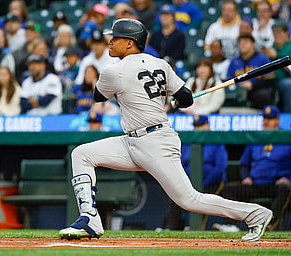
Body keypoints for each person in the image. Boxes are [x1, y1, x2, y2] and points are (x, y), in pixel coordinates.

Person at [59, 18, 273, 242]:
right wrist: (175, 99)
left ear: (131, 43)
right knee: (81, 154)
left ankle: (256, 214)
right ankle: (90, 219)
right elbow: (186, 98)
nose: (110, 42)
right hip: (133, 141)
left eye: (116, 38)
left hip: (155, 142)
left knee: (189, 200)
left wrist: (169, 98)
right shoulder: (160, 63)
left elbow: (98, 96)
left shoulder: (114, 71)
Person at [218, 105, 291, 231]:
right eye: (265, 118)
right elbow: (244, 163)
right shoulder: (256, 137)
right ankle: (230, 225)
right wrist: (246, 177)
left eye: (270, 118)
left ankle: (269, 224)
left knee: (285, 189)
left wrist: (290, 179)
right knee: (230, 189)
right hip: (255, 184)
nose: (266, 121)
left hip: (275, 185)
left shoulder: (288, 137)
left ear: (277, 120)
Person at [157, 115, 228, 231]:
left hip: (211, 183)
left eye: (201, 126)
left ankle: (198, 228)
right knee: (176, 196)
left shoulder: (216, 141)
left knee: (205, 200)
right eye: (196, 126)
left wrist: (204, 182)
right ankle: (169, 227)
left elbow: (220, 166)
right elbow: (181, 163)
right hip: (190, 181)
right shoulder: (189, 142)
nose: (198, 129)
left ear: (208, 126)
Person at [260, 21, 291, 112]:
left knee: (288, 84)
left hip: (286, 79)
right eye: (274, 32)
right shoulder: (270, 47)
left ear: (286, 32)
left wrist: (277, 56)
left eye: (279, 32)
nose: (276, 35)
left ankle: (289, 116)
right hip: (268, 80)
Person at [227, 33, 275, 109]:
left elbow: (269, 79)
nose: (242, 45)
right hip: (237, 91)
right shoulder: (234, 61)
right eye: (240, 43)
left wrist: (252, 85)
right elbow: (228, 79)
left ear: (253, 44)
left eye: (245, 42)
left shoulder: (263, 59)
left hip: (257, 89)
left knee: (262, 95)